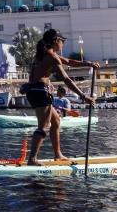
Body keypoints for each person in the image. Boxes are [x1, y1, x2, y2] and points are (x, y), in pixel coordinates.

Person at [22, 29, 98, 165]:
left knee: (56, 120)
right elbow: (67, 80)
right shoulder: (52, 57)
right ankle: (32, 159)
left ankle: (58, 155)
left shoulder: (44, 54)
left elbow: (69, 61)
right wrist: (83, 96)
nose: (63, 44)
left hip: (34, 91)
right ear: (56, 41)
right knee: (44, 127)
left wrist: (89, 64)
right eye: (62, 41)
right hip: (40, 92)